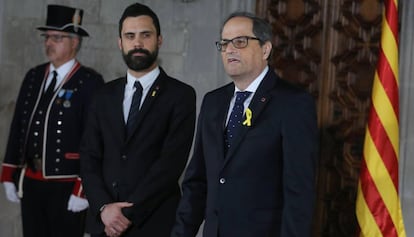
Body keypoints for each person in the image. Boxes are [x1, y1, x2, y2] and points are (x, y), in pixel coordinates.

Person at [171, 12, 319, 237]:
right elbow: (197, 182)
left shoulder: (293, 104)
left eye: (240, 42)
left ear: (265, 49)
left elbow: (298, 193)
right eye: (224, 43)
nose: (230, 49)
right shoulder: (213, 102)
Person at [79, 3, 196, 237]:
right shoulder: (103, 95)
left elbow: (170, 165)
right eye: (130, 36)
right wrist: (103, 208)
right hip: (104, 224)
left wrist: (126, 215)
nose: (138, 43)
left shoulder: (181, 95)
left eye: (146, 35)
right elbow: (89, 157)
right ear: (120, 43)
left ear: (159, 40)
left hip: (154, 223)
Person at [0, 4, 104, 237]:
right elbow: (18, 125)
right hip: (31, 182)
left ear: (74, 42)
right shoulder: (34, 75)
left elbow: (94, 140)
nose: (49, 43)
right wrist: (9, 172)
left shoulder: (89, 82)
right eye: (47, 37)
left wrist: (83, 188)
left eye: (57, 38)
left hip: (66, 185)